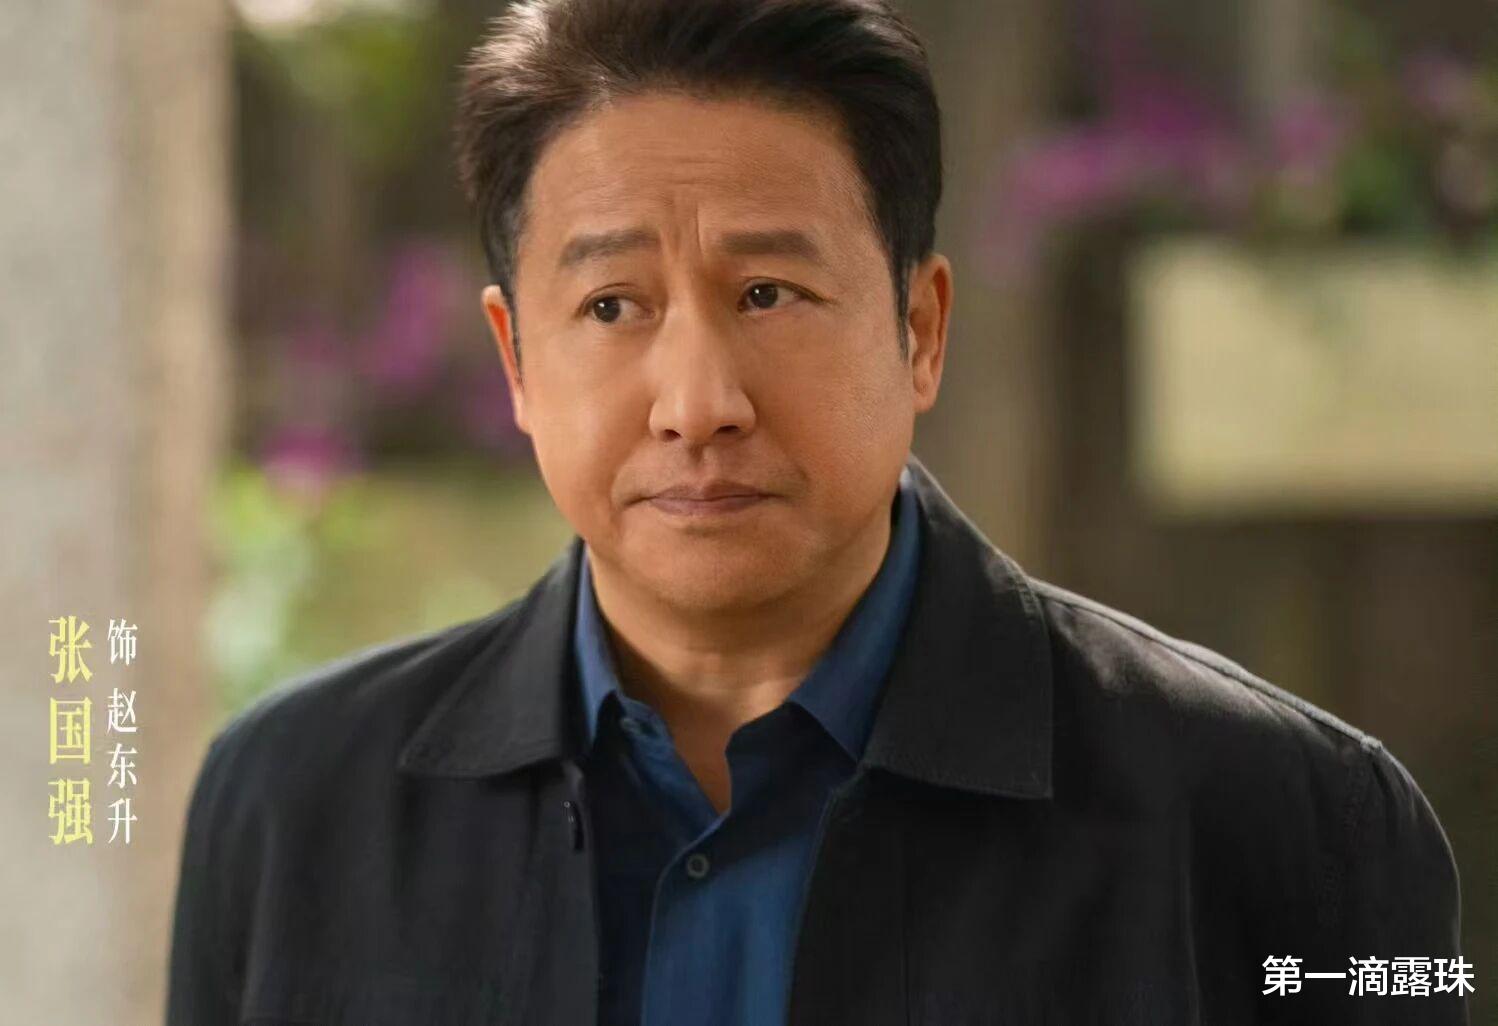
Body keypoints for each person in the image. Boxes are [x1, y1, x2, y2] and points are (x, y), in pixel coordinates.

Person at [165, 1, 1468, 1023]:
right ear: (515, 361)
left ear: (920, 328)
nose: (698, 403)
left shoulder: (1295, 818)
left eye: (769, 294)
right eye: (612, 306)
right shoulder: (290, 804)